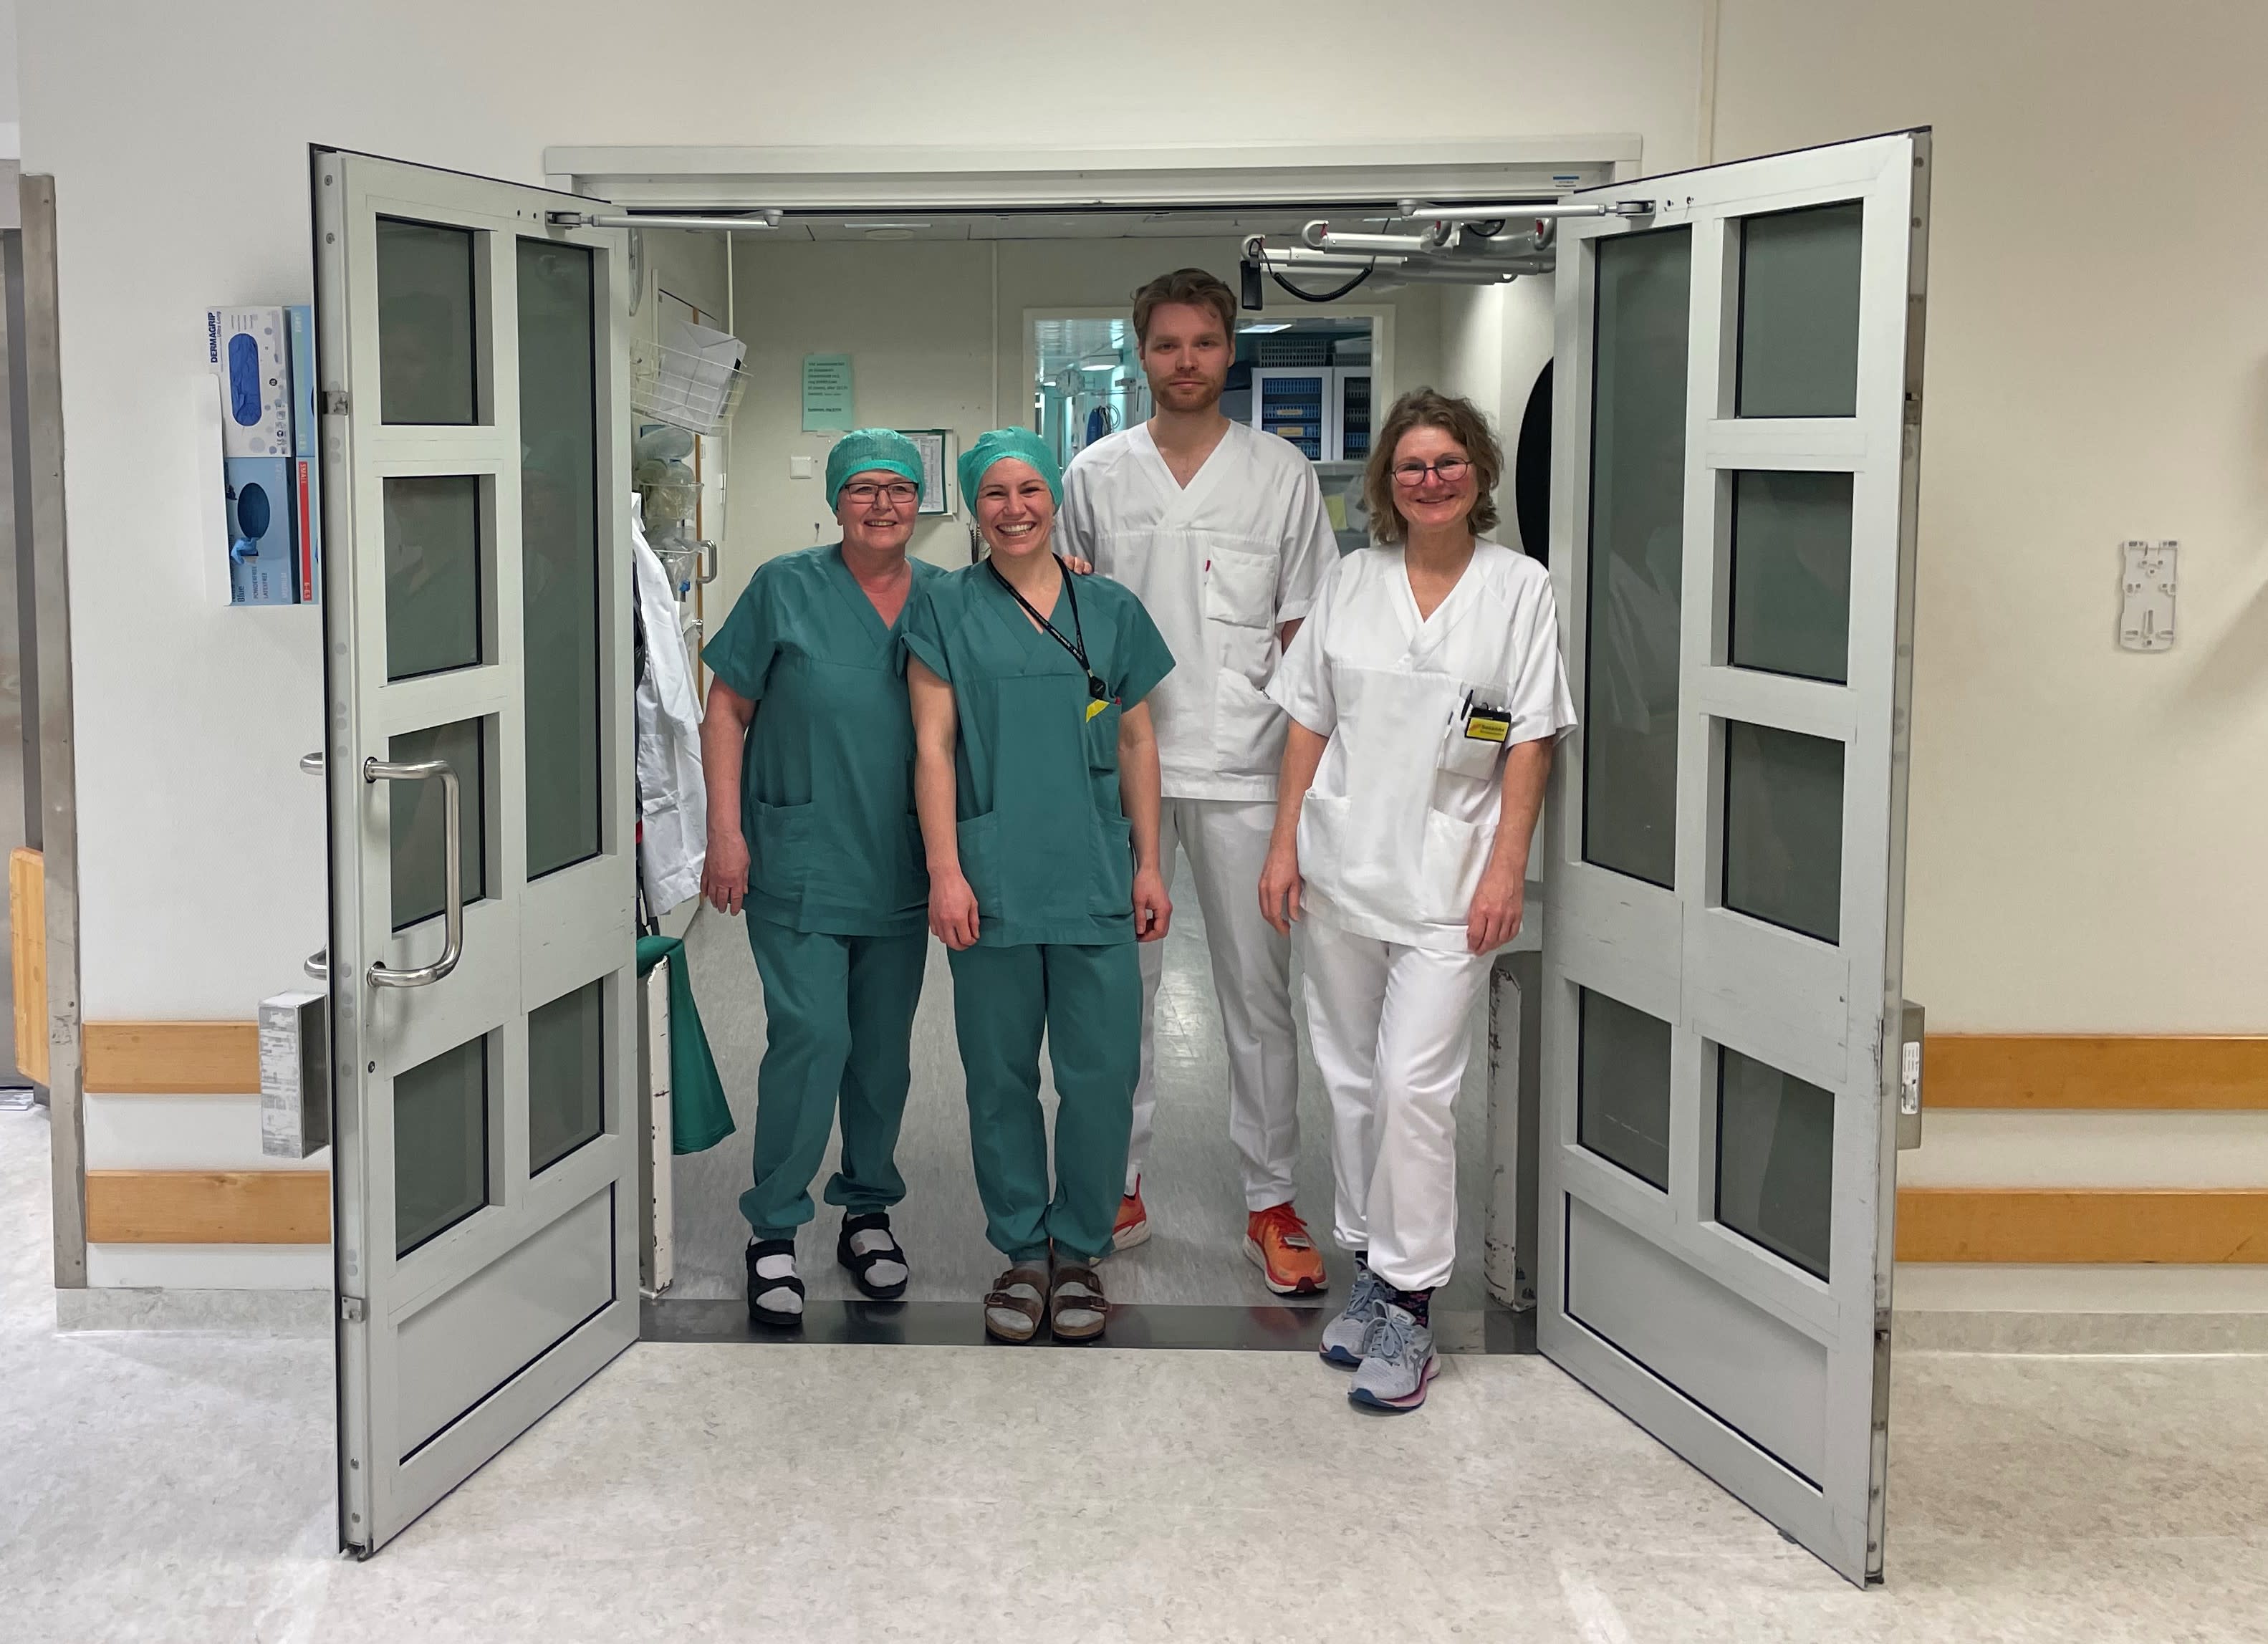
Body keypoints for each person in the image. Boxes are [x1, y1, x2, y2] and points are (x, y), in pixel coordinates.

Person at [1259, 390, 1574, 1413]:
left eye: (1446, 462)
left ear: (1477, 472)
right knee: (1350, 1079)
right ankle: (1366, 1267)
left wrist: (1506, 867)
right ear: (1384, 482)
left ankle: (1410, 1301)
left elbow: (1529, 735)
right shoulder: (1350, 580)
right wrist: (1282, 844)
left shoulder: (1518, 587)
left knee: (1412, 1087)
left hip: (1450, 878)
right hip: (1343, 868)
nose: (1429, 479)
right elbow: (1307, 719)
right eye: (1410, 465)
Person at [1057, 266, 1335, 1294]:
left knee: (1257, 996)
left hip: (1245, 763)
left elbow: (1305, 633)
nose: (1186, 361)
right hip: (1120, 763)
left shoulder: (1279, 474)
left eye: (1204, 343)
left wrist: (1303, 796)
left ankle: (1271, 1198)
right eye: (1167, 344)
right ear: (1141, 353)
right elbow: (1061, 617)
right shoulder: (1095, 474)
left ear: (1230, 350)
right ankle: (1117, 1181)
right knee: (1118, 991)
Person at [903, 428, 1175, 1344]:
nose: (1013, 509)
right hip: (991, 876)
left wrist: (1148, 863)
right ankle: (1023, 1251)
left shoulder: (1111, 608)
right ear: (972, 509)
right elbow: (932, 746)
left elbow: (1136, 738)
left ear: (1054, 499)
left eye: (1029, 490)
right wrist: (946, 870)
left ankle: (1081, 1250)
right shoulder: (944, 608)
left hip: (1095, 868)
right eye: (994, 494)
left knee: (1102, 1075)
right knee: (999, 1077)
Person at [698, 429, 939, 1327]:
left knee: (880, 1053)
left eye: (899, 489)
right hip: (796, 852)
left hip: (900, 860)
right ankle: (773, 1226)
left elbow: (1031, 619)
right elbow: (727, 708)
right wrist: (725, 832)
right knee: (811, 1036)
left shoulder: (948, 596)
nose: (882, 505)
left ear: (921, 502)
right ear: (835, 501)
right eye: (863, 489)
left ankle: (866, 1211)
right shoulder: (783, 586)